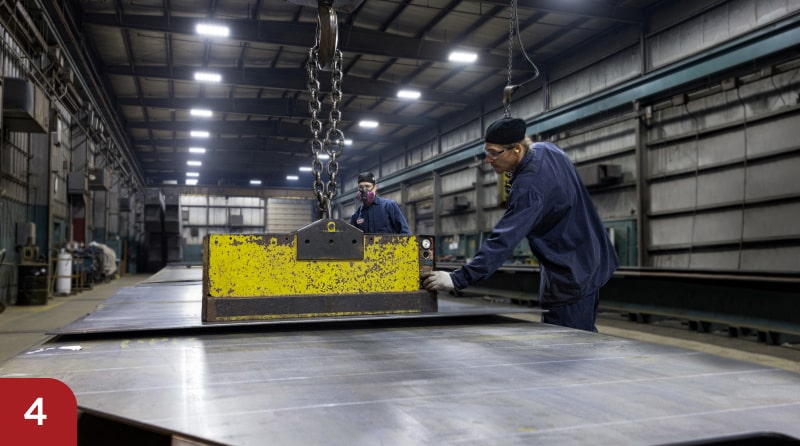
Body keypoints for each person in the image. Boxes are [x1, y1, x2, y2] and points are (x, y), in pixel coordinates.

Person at [422, 117, 619, 332]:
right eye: (486, 152)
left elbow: (503, 241)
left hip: (571, 273)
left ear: (516, 148)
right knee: (584, 334)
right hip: (593, 258)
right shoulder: (548, 150)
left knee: (569, 343)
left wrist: (457, 279)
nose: (488, 160)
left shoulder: (529, 188)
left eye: (494, 153)